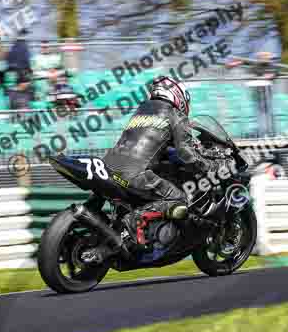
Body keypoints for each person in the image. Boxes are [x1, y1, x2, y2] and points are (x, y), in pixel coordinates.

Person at [99, 76, 233, 245]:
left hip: (108, 166)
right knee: (180, 199)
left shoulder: (142, 110)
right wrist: (210, 167)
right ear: (179, 95)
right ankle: (134, 221)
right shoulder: (175, 114)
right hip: (135, 174)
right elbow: (187, 154)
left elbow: (150, 142)